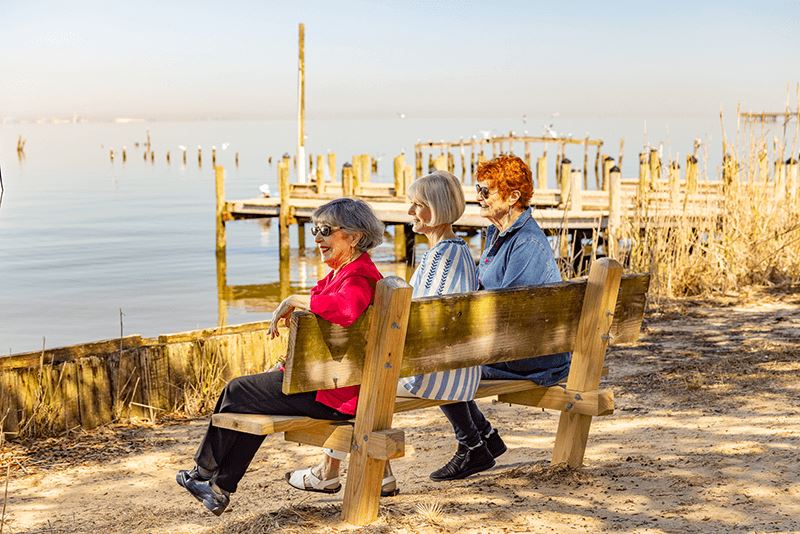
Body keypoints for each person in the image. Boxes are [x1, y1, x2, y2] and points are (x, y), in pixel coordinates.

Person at [286, 170, 497, 491]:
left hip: (434, 371)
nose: (410, 212)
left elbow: (422, 322)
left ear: (437, 209)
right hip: (455, 364)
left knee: (352, 380)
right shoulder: (457, 251)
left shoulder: (444, 256)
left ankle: (328, 472)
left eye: (417, 205)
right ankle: (381, 475)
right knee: (359, 374)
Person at [176, 198, 384, 516]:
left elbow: (346, 310)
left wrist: (294, 298)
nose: (317, 238)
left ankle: (205, 475)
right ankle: (216, 486)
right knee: (249, 400)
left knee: (237, 391)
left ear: (353, 237)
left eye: (326, 230)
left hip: (336, 396)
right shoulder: (345, 274)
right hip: (333, 386)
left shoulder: (357, 278)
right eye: (315, 230)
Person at [430, 155, 571, 481]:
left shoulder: (526, 243)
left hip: (535, 355)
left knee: (436, 365)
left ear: (512, 198)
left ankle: (474, 446)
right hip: (521, 345)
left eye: (485, 191)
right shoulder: (497, 234)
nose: (478, 197)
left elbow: (509, 313)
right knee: (440, 355)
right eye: (478, 190)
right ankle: (486, 440)